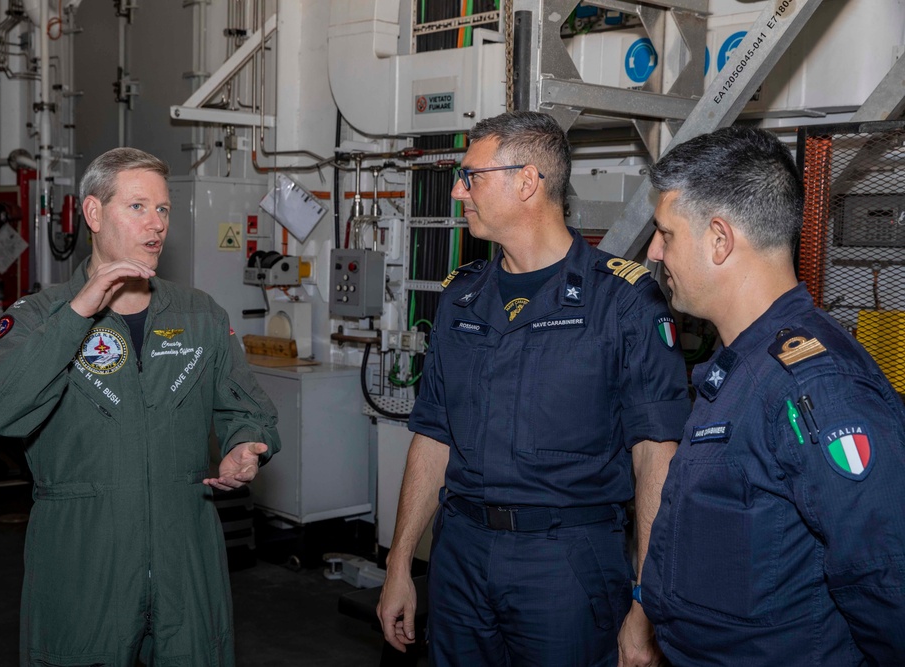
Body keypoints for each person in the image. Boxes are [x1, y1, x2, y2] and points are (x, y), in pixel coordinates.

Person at [377, 111, 690, 666]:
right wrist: (401, 563)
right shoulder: (462, 298)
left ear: (527, 182)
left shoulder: (622, 301)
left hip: (566, 564)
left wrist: (646, 599)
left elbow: (656, 458)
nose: (457, 191)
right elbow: (433, 435)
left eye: (470, 176)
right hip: (460, 558)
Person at [0, 147, 280, 666]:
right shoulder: (39, 316)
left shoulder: (198, 315)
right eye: (138, 207)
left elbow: (248, 406)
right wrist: (80, 309)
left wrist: (248, 445)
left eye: (164, 210)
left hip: (186, 557)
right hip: (84, 559)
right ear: (93, 213)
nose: (156, 224)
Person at [641, 126, 905, 665]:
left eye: (665, 233)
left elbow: (886, 582)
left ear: (720, 238)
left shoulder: (813, 386)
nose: (653, 251)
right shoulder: (746, 366)